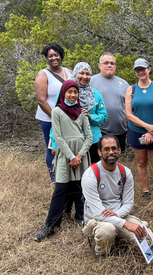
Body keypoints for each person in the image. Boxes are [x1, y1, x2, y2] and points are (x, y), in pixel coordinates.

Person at [82, 135, 153, 261]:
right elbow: (97, 213)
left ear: (119, 150)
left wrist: (117, 214)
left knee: (152, 240)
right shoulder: (90, 175)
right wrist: (126, 224)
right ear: (99, 152)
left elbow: (128, 203)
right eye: (106, 149)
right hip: (97, 219)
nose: (111, 152)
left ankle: (119, 235)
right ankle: (102, 253)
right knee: (108, 230)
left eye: (114, 148)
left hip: (119, 215)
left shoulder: (125, 172)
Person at [34, 80, 93, 242]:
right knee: (60, 189)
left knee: (81, 188)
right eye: (70, 92)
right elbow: (58, 137)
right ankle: (50, 225)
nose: (73, 95)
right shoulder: (57, 111)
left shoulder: (81, 112)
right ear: (63, 93)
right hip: (65, 155)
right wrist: (71, 156)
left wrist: (79, 156)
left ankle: (81, 218)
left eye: (75, 92)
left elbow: (89, 136)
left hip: (81, 155)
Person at [125, 58, 153, 201]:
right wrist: (146, 127)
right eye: (138, 70)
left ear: (149, 69)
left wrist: (151, 130)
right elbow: (129, 114)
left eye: (143, 69)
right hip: (136, 131)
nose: (141, 72)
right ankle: (145, 191)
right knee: (141, 162)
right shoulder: (131, 89)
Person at [51, 62, 108, 163]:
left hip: (93, 140)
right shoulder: (64, 92)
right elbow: (56, 119)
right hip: (70, 141)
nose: (84, 77)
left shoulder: (95, 94)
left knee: (93, 172)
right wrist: (54, 144)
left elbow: (103, 117)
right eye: (81, 73)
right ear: (75, 73)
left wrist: (90, 117)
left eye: (88, 74)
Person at [34, 42, 73, 182]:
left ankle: (68, 175)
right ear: (46, 57)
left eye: (56, 55)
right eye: (50, 56)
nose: (53, 58)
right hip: (50, 119)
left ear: (61, 56)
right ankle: (55, 178)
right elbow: (41, 100)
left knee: (67, 146)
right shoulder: (43, 75)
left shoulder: (69, 72)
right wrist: (57, 118)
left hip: (69, 118)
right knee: (53, 146)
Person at [91, 52, 129, 152]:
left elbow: (130, 106)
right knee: (100, 159)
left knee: (115, 158)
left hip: (120, 130)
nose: (109, 65)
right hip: (99, 130)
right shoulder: (91, 82)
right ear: (99, 66)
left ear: (115, 66)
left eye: (112, 63)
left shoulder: (124, 83)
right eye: (106, 63)